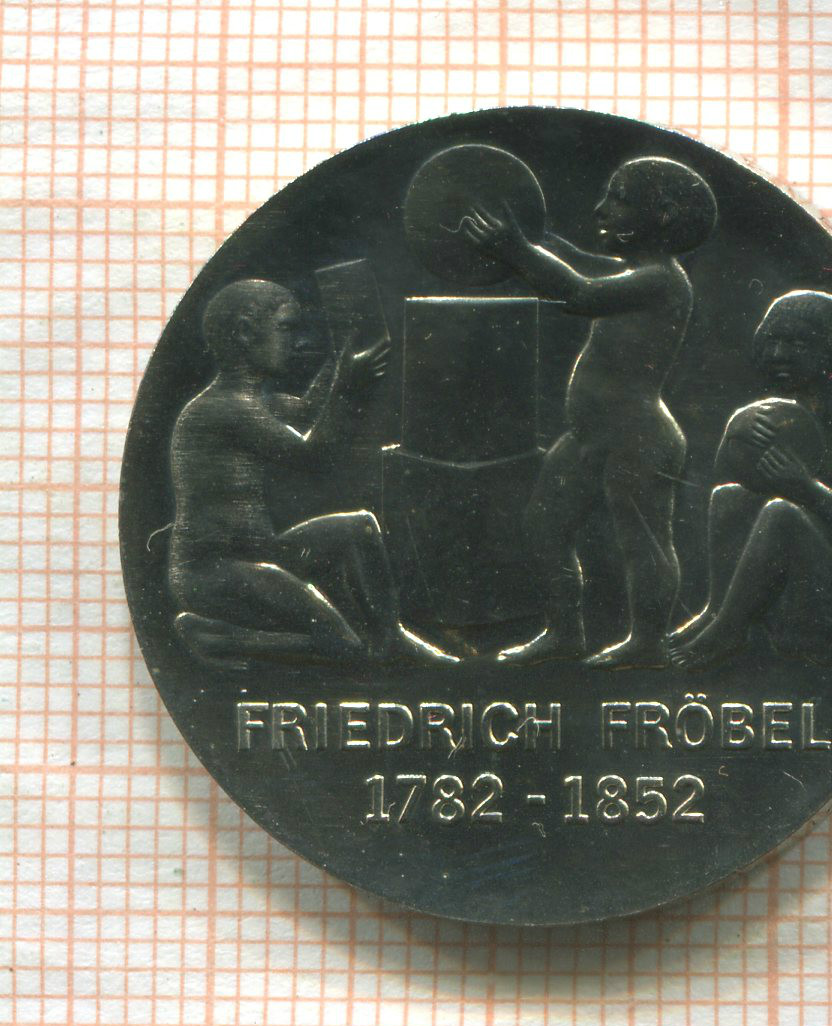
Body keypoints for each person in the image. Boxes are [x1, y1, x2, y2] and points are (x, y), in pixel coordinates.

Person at [462, 157, 717, 667]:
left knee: (641, 542)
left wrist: (518, 251)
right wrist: (535, 240)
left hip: (638, 437)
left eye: (618, 198)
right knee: (544, 525)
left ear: (662, 215)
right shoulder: (635, 273)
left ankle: (648, 643)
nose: (601, 209)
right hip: (590, 436)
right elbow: (580, 264)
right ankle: (565, 634)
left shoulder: (662, 281)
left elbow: (579, 292)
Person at [167, 278, 455, 668]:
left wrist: (343, 354)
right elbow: (313, 455)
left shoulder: (255, 403)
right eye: (286, 328)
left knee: (359, 527)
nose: (298, 342)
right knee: (347, 648)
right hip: (213, 573)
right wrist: (347, 384)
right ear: (246, 333)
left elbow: (307, 412)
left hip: (259, 553)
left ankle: (392, 637)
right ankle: (225, 640)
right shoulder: (224, 409)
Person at [670, 289, 832, 668]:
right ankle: (717, 611)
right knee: (729, 497)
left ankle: (728, 630)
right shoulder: (775, 422)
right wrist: (737, 437)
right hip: (790, 598)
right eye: (773, 342)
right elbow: (727, 481)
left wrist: (807, 489)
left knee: (781, 513)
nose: (778, 354)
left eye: (797, 344)